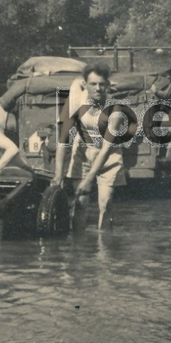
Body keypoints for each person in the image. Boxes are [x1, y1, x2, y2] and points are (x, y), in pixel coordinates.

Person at [56, 63, 128, 232]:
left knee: (106, 203)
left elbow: (106, 149)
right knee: (80, 203)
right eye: (93, 84)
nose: (98, 88)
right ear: (85, 85)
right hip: (83, 154)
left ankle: (104, 251)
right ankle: (79, 251)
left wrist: (89, 179)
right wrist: (58, 175)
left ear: (107, 86)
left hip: (108, 157)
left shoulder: (116, 111)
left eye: (102, 84)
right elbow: (63, 141)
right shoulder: (75, 105)